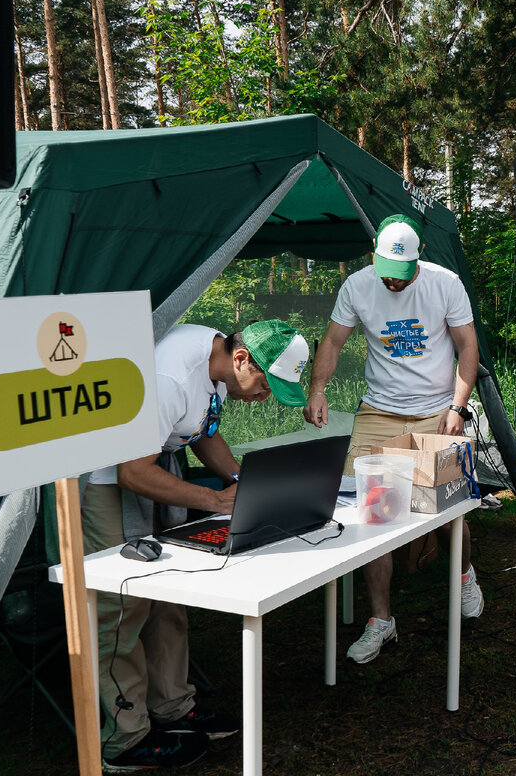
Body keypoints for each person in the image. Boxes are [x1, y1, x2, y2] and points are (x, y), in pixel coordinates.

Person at [81, 319, 311, 772]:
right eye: (267, 386)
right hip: (106, 477)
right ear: (242, 359)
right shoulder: (170, 377)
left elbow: (205, 431)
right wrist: (215, 500)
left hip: (155, 465)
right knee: (120, 605)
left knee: (169, 591)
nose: (265, 397)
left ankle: (173, 710)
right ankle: (124, 738)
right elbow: (132, 471)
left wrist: (243, 483)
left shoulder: (218, 363)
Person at [304, 213, 484, 665]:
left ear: (418, 260)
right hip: (379, 411)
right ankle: (381, 620)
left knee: (447, 511)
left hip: (437, 410)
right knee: (372, 514)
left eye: (402, 274)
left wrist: (458, 407)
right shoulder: (357, 286)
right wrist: (318, 389)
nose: (393, 282)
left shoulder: (445, 284)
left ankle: (464, 576)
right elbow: (332, 341)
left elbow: (467, 346)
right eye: (387, 272)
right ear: (374, 255)